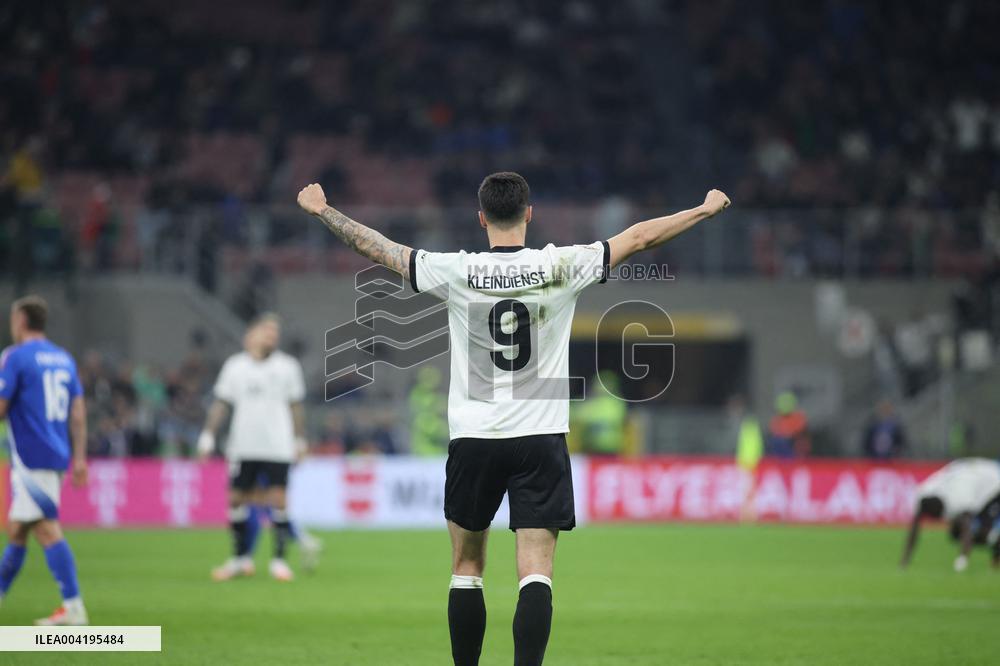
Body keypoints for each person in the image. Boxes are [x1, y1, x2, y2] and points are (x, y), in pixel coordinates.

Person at [298, 172, 731, 666]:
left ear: (481, 217)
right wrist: (703, 209)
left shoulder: (456, 270)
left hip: (475, 437)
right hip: (540, 437)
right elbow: (639, 236)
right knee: (536, 572)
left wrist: (322, 210)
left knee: (466, 567)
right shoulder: (561, 265)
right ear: (529, 214)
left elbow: (380, 249)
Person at [197, 313, 308, 582]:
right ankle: (240, 558)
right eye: (267, 331)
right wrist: (208, 436)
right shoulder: (235, 367)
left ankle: (279, 562)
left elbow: (295, 406)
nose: (272, 336)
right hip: (243, 445)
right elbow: (221, 403)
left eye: (275, 332)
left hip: (278, 445)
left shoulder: (288, 366)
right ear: (252, 335)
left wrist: (299, 439)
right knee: (236, 499)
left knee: (279, 500)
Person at [0, 295, 89, 625]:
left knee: (46, 528)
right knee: (18, 530)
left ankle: (74, 606)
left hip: (30, 453)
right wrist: (79, 458)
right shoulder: (63, 358)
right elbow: (77, 413)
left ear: (20, 321)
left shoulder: (16, 357)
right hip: (56, 451)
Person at [899, 458, 1000, 571]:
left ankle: (996, 552)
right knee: (955, 533)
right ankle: (996, 542)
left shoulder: (958, 499)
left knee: (982, 526)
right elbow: (915, 528)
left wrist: (962, 561)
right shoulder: (924, 492)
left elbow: (967, 530)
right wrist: (905, 560)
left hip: (994, 482)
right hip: (970, 474)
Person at [766, 391, 810, 458]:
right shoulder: (776, 420)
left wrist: (788, 435)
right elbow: (774, 433)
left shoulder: (798, 418)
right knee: (776, 441)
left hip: (794, 448)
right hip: (780, 450)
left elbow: (799, 433)